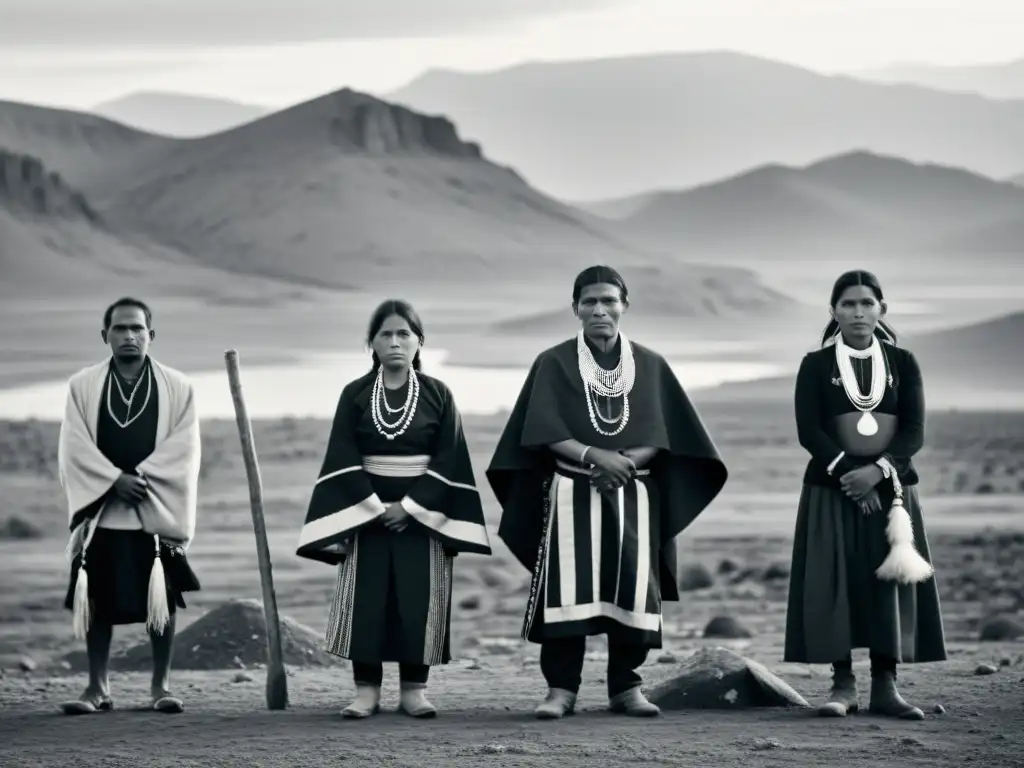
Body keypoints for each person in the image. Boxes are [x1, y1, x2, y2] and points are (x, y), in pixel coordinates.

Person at [486, 265, 728, 719]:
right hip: (570, 491)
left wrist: (626, 463)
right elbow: (542, 430)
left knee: (632, 589)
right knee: (566, 592)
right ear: (575, 308)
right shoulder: (554, 362)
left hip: (634, 492)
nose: (600, 309)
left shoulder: (650, 364)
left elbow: (662, 433)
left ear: (624, 305)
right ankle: (561, 689)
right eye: (590, 301)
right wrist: (597, 456)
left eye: (609, 300)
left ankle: (626, 687)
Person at [297, 299, 492, 719]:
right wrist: (372, 507)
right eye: (385, 334)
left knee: (418, 601)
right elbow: (342, 455)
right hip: (365, 518)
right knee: (366, 602)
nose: (395, 341)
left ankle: (414, 691)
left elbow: (450, 457)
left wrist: (410, 507)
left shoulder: (439, 394)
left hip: (423, 520)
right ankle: (366, 691)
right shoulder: (355, 394)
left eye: (404, 333)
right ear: (371, 342)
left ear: (420, 341)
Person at [784, 270, 946, 720]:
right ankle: (843, 685)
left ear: (882, 310)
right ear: (834, 311)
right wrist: (849, 476)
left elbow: (913, 431)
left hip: (891, 491)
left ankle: (885, 687)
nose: (858, 312)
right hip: (831, 490)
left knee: (887, 583)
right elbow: (809, 430)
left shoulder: (903, 362)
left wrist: (876, 472)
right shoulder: (815, 365)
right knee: (838, 580)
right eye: (849, 304)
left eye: (867, 303)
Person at [58, 297, 202, 716]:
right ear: (105, 336)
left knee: (161, 601)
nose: (129, 336)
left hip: (153, 509)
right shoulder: (81, 386)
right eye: (120, 329)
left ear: (151, 336)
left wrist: (143, 480)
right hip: (102, 511)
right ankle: (97, 688)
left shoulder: (179, 387)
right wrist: (110, 481)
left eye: (138, 329)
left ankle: (161, 687)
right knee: (97, 600)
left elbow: (186, 447)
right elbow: (72, 446)